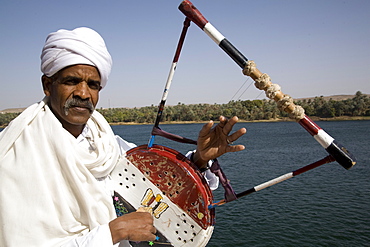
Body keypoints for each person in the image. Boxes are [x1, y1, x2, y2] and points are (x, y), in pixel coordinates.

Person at [0, 27, 246, 246]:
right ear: (47, 84)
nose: (84, 93)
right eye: (72, 81)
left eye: (93, 85)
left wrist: (200, 160)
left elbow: (151, 181)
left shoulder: (105, 141)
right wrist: (112, 233)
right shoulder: (16, 156)